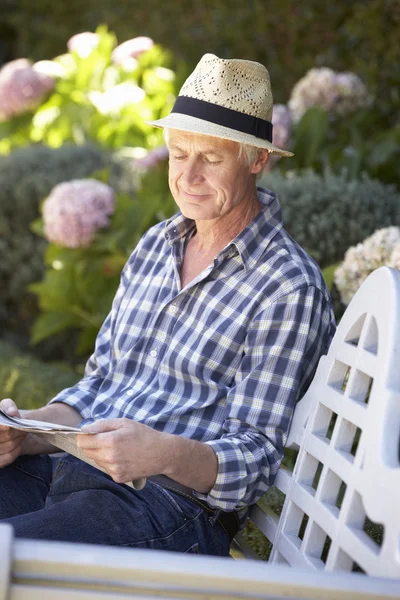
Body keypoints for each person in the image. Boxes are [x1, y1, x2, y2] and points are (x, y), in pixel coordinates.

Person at [0, 54, 335, 555]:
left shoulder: (288, 286)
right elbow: (100, 386)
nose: (189, 176)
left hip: (168, 508)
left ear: (256, 159)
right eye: (180, 154)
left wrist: (160, 452)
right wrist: (28, 430)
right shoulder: (159, 243)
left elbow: (254, 458)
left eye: (212, 158)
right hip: (72, 472)